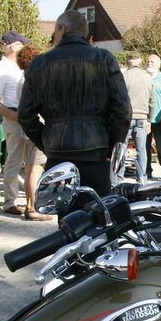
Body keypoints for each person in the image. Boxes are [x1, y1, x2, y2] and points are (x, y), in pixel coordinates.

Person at [18, 10, 131, 198]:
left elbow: (25, 114)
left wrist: (46, 141)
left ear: (62, 29)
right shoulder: (104, 59)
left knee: (67, 217)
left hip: (58, 151)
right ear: (85, 33)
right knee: (98, 214)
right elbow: (123, 110)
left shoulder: (39, 63)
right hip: (95, 150)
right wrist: (112, 143)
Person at [0, 30, 30, 216]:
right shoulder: (2, 70)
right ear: (14, 46)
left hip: (24, 115)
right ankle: (9, 201)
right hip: (14, 116)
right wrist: (16, 117)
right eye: (21, 44)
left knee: (28, 161)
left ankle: (28, 198)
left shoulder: (16, 66)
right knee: (14, 160)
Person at [14, 44, 51, 220]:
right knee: (35, 168)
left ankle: (30, 205)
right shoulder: (32, 79)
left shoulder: (22, 78)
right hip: (36, 126)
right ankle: (33, 208)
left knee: (30, 168)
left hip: (26, 129)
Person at [123, 51, 155, 183]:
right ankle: (142, 177)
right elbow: (153, 101)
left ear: (128, 61)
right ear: (139, 60)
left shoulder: (124, 76)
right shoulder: (147, 77)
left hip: (126, 117)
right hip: (142, 117)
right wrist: (150, 119)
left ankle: (118, 177)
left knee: (122, 149)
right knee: (141, 149)